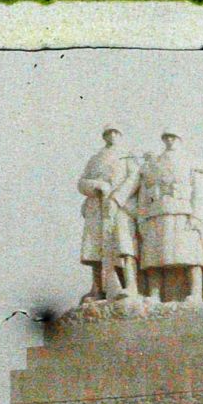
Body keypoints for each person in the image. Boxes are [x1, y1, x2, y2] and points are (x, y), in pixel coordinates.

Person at [137, 130, 203, 303]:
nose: (169, 140)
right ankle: (154, 293)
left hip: (183, 213)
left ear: (179, 139)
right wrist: (142, 219)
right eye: (166, 137)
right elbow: (144, 195)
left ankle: (195, 292)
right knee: (153, 257)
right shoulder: (154, 164)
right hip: (156, 213)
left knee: (191, 255)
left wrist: (197, 217)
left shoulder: (191, 161)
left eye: (173, 137)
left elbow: (199, 192)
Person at [77, 126, 139, 300]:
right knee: (95, 249)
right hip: (96, 206)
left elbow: (134, 178)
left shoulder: (127, 155)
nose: (112, 135)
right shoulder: (95, 158)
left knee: (124, 246)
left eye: (116, 132)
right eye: (109, 133)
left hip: (119, 205)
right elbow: (82, 182)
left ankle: (131, 285)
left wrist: (117, 198)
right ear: (104, 136)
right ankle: (97, 288)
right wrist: (96, 186)